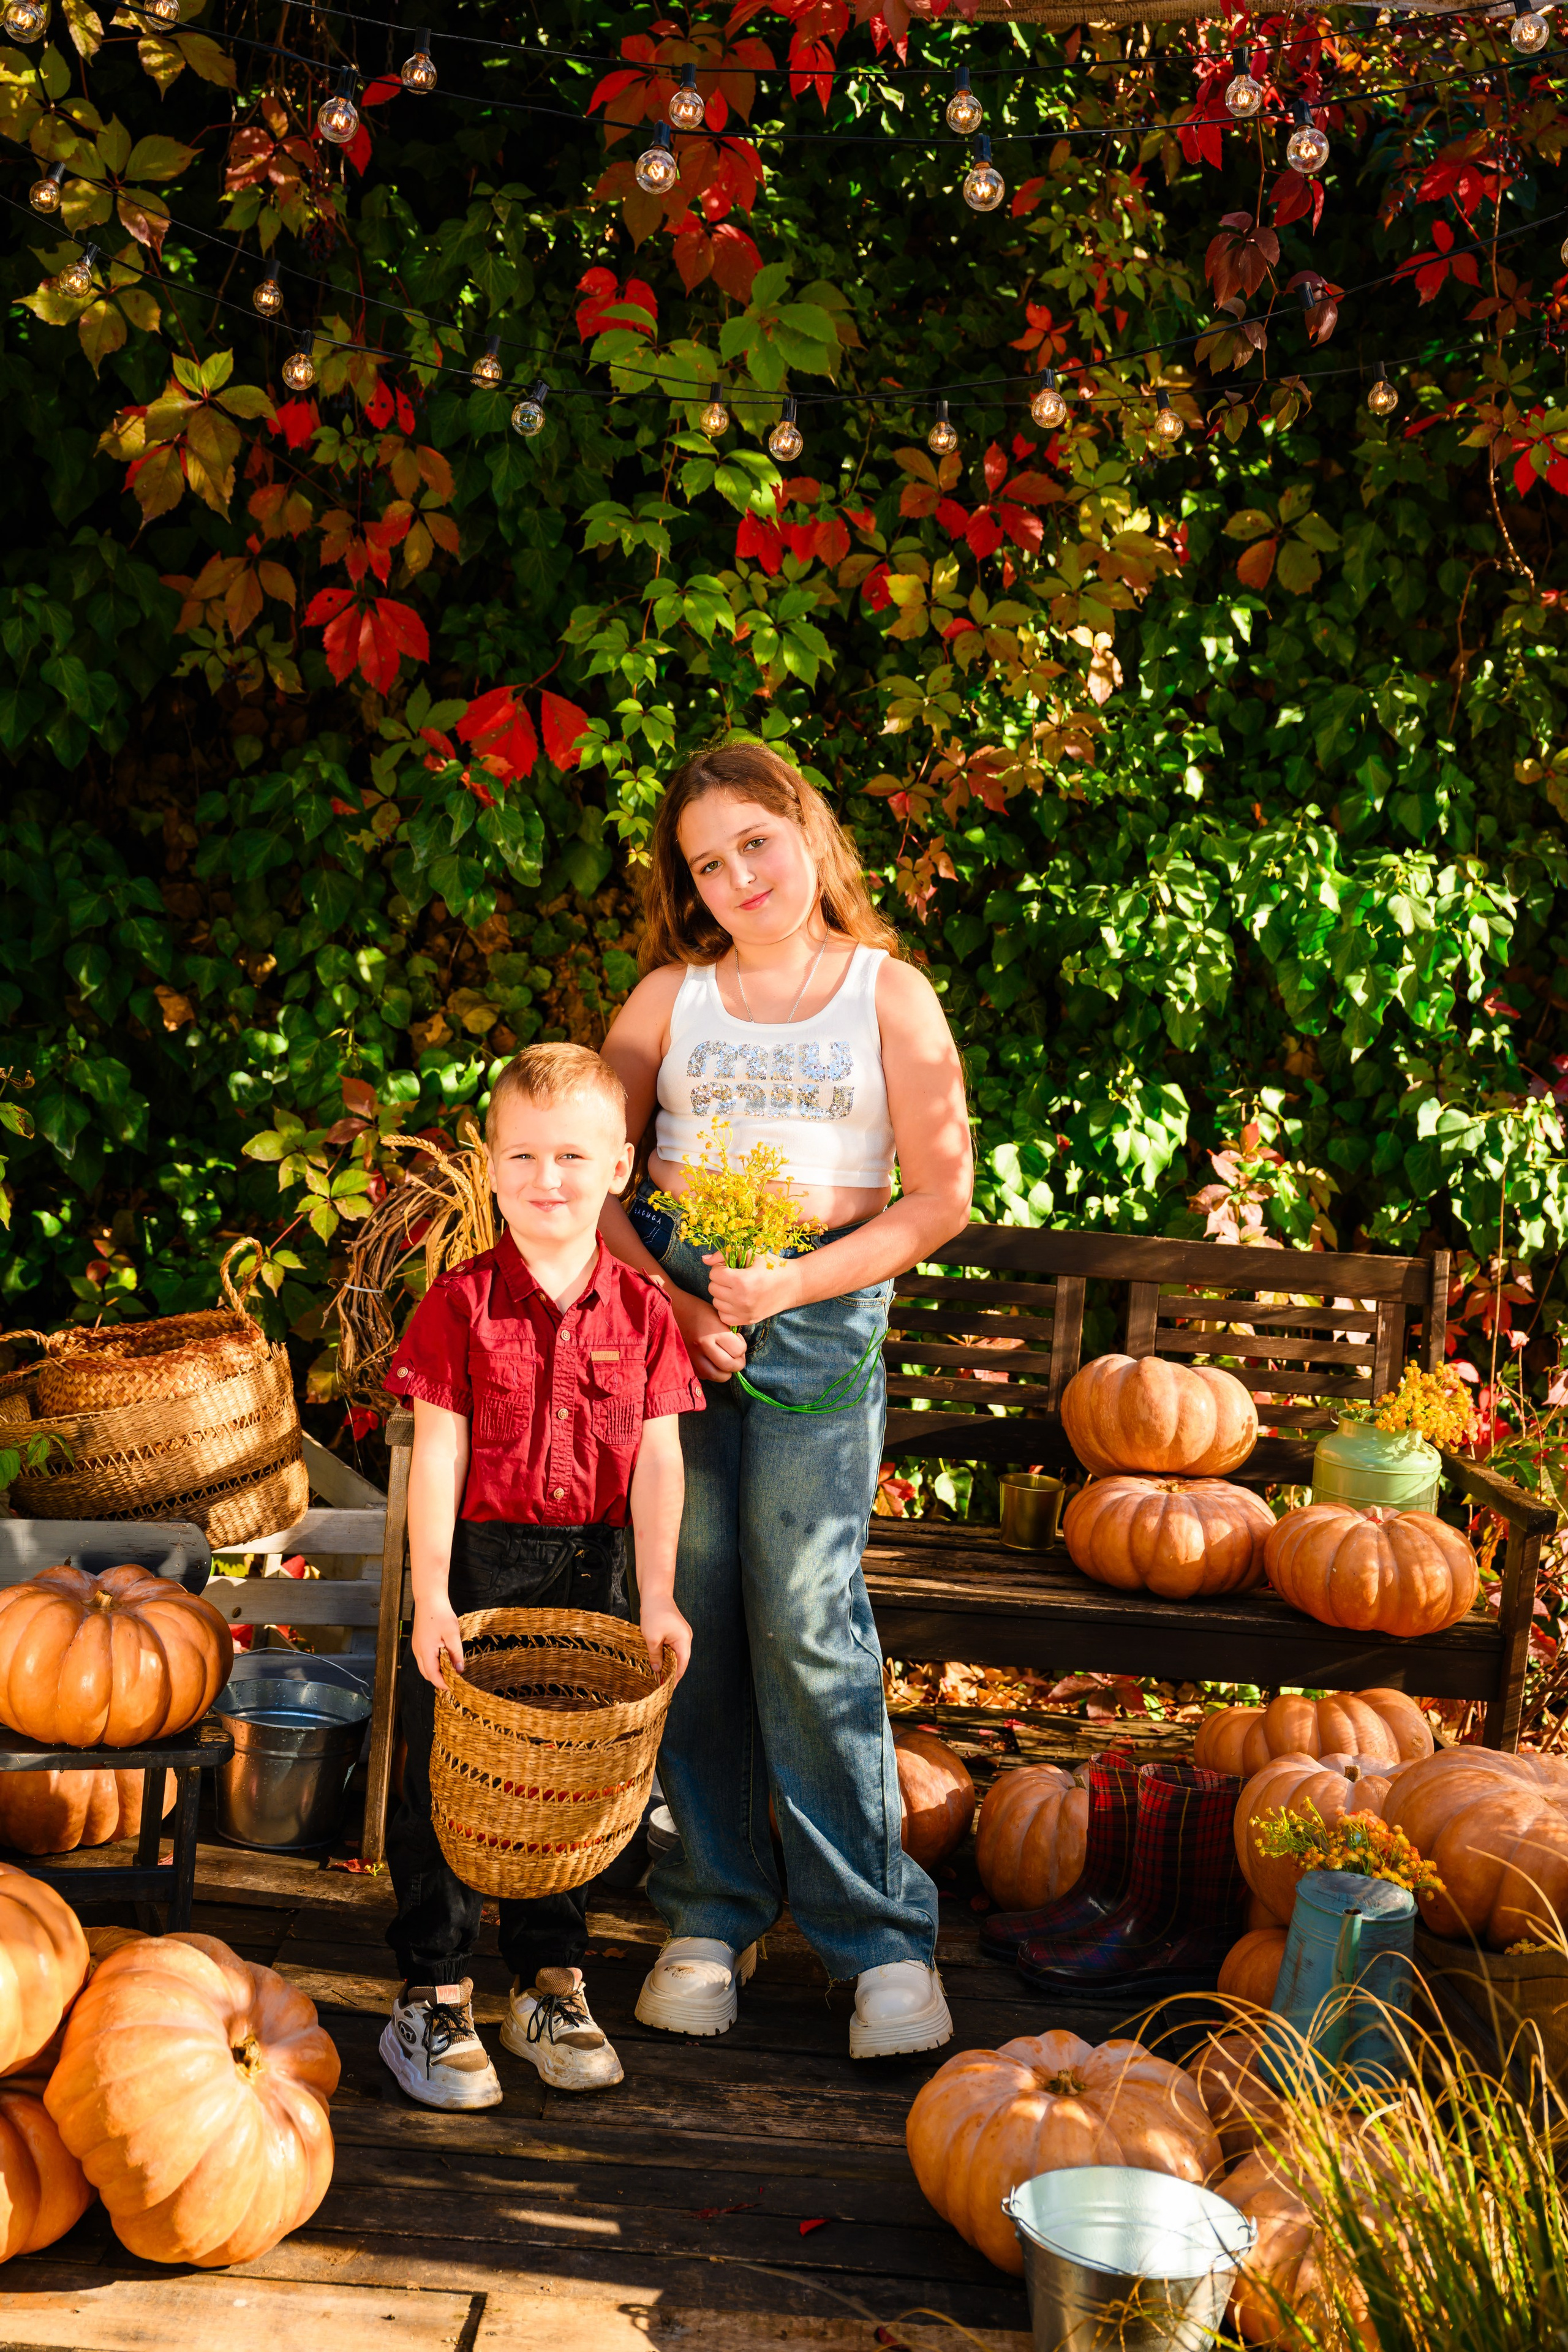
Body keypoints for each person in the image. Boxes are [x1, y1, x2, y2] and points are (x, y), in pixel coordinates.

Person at [598, 740, 974, 2058]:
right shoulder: (668, 1000)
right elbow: (596, 1180)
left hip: (819, 1311)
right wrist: (685, 1303)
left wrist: (793, 1283)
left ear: (805, 831)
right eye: (706, 863)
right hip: (679, 1313)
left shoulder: (889, 996)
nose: (737, 877)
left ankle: (875, 1937)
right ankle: (709, 1908)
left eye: (753, 841)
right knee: (688, 1607)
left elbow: (938, 1199)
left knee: (807, 1611)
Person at [377, 1042, 702, 2109]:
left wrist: (656, 1596)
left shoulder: (647, 1315)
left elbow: (658, 1458)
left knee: (569, 1789)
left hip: (601, 1573)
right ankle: (431, 1991)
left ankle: (549, 1983)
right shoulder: (461, 1305)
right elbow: (438, 1454)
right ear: (490, 1162)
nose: (547, 1179)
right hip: (479, 1567)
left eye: (572, 1155)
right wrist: (431, 1593)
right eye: (523, 1155)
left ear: (620, 1167)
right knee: (449, 1785)